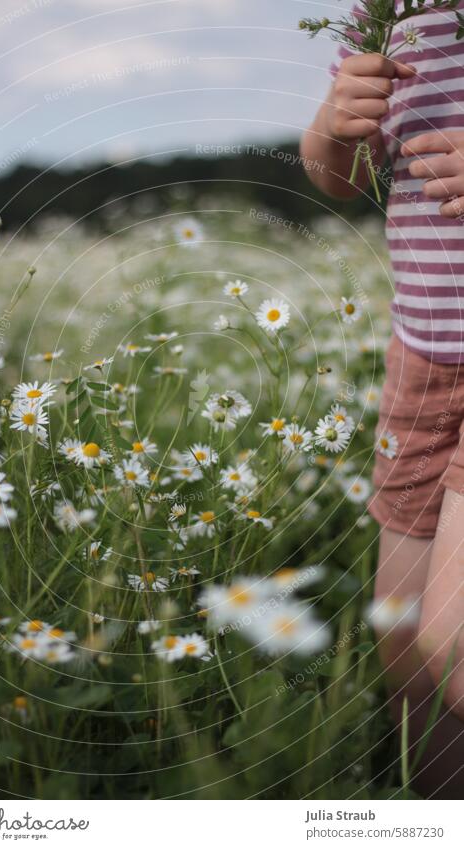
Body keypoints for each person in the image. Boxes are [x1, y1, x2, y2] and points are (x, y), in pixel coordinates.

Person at [301, 5, 464, 797]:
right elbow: (349, 178)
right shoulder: (386, 12)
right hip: (421, 358)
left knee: (452, 647)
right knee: (402, 643)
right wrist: (335, 129)